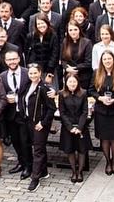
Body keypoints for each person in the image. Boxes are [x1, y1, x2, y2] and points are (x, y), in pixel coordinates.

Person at [24, 62, 57, 191]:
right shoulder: (27, 85)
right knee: (39, 147)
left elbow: (52, 108)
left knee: (37, 150)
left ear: (40, 73)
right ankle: (43, 171)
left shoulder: (44, 88)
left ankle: (35, 178)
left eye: (35, 73)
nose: (33, 75)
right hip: (29, 121)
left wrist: (43, 123)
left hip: (40, 124)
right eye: (30, 73)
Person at [92, 51, 114, 174]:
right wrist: (100, 98)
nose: (107, 61)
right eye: (105, 59)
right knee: (104, 138)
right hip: (101, 111)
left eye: (109, 59)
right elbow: (91, 90)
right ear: (102, 61)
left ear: (113, 60)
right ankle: (107, 161)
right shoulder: (96, 73)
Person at [58, 70, 91, 183]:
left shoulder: (84, 93)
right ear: (66, 83)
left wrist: (79, 127)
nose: (72, 84)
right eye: (70, 82)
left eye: (74, 82)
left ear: (78, 82)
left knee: (82, 150)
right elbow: (62, 112)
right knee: (70, 149)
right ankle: (73, 171)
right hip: (68, 126)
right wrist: (70, 127)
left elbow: (85, 111)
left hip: (81, 125)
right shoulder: (62, 94)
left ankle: (80, 171)